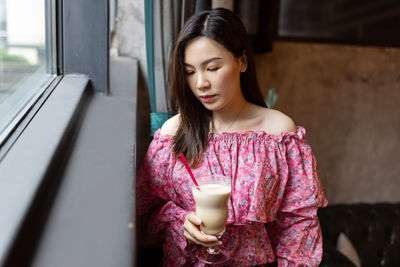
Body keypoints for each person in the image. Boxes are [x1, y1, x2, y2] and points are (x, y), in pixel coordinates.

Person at [137, 8, 328, 266]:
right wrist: (180, 222)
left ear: (242, 61)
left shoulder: (279, 135)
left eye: (212, 68)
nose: (201, 83)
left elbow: (297, 226)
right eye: (190, 71)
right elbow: (143, 217)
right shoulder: (172, 135)